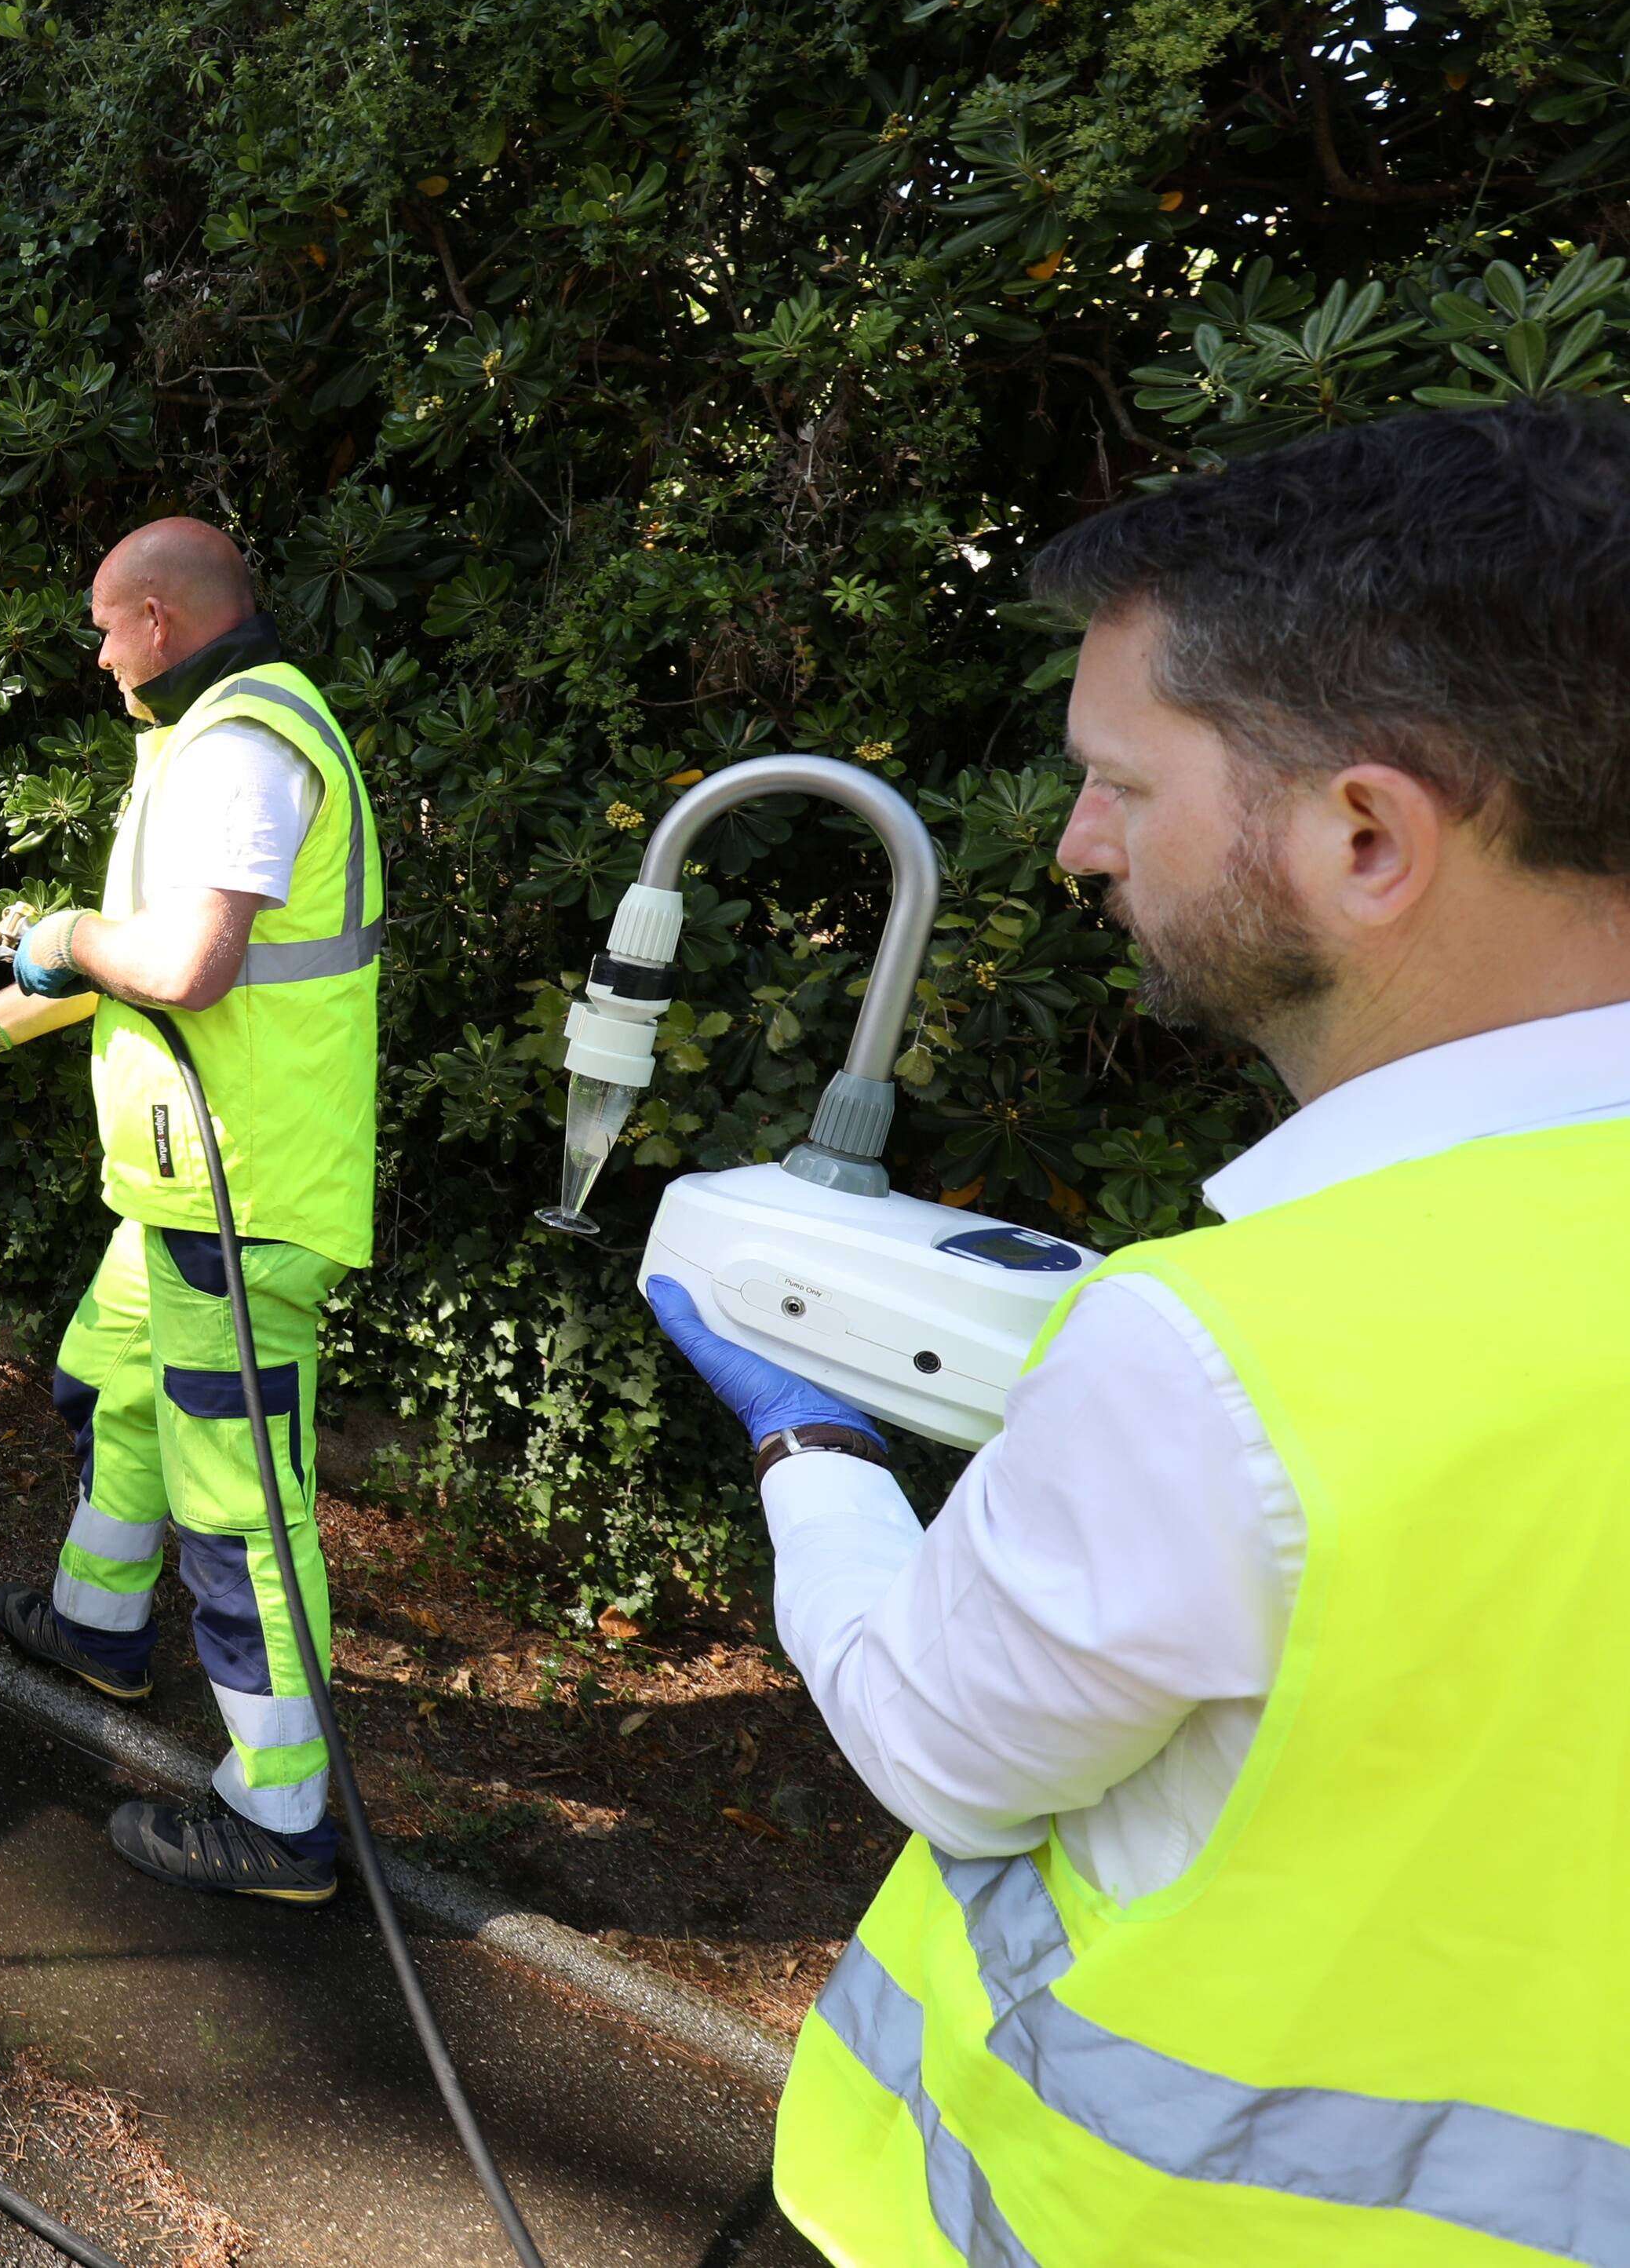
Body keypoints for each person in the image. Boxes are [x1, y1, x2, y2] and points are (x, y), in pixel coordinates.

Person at [644, 400, 1630, 2264]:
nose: (1081, 846)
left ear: (1363, 833)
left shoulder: (1223, 1350)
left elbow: (943, 1739)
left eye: (1122, 782)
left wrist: (808, 1444)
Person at [0, 516, 386, 1904]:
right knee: (105, 1381)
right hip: (182, 1193)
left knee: (240, 1515)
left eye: (106, 627)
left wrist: (65, 937)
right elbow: (117, 961)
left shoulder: (239, 747)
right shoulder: (193, 742)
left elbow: (182, 961)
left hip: (245, 1199)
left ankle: (282, 1818)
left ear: (161, 620)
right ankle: (98, 1624)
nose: (99, 651)